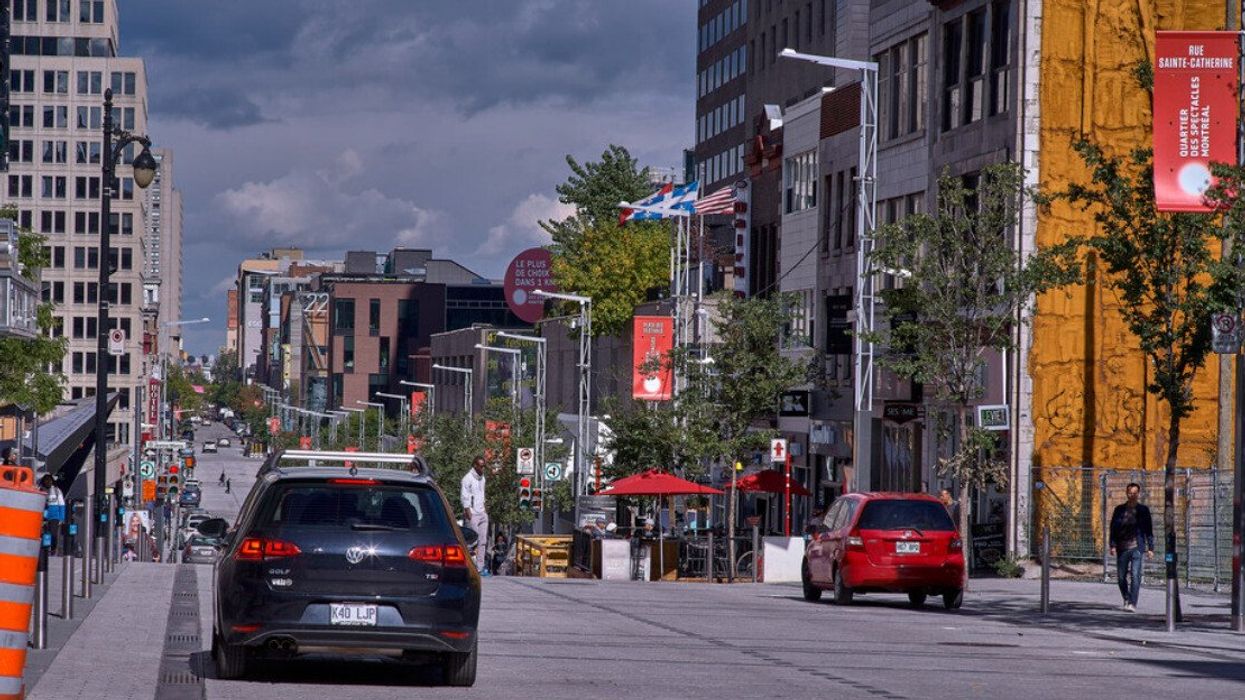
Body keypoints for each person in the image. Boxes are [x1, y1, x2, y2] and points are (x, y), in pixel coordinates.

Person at [1109, 482, 1154, 612]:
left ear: (1138, 494)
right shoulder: (1119, 509)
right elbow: (1113, 528)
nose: (1132, 495)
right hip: (1122, 547)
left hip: (1137, 547)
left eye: (1135, 493)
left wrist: (1150, 548)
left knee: (1135, 575)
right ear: (1126, 493)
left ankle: (1132, 603)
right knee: (1121, 577)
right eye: (1130, 493)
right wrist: (1112, 545)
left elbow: (1148, 529)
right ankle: (1127, 597)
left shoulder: (1143, 510)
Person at [460, 456, 490, 575]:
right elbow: (464, 496)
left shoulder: (482, 478)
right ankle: (468, 566)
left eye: (484, 466)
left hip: (482, 512)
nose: (483, 468)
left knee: (482, 541)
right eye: (481, 466)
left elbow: (482, 494)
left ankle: (480, 567)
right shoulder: (467, 478)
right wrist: (468, 513)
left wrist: (485, 510)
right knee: (472, 541)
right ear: (475, 465)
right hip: (472, 513)